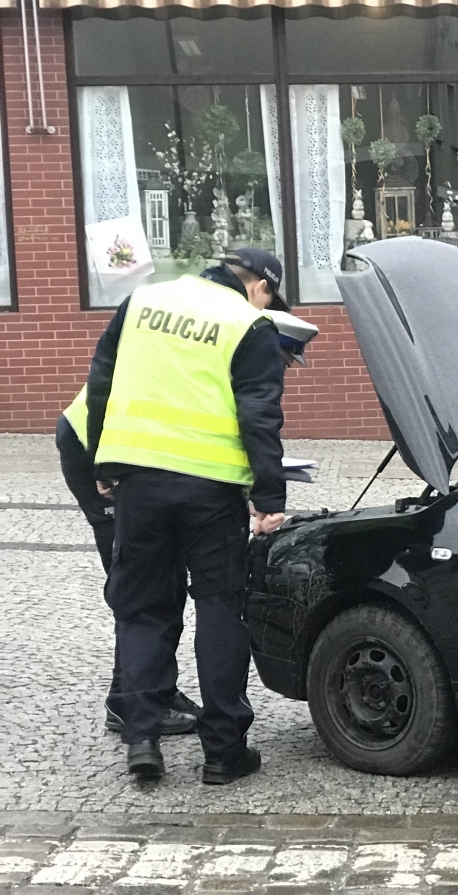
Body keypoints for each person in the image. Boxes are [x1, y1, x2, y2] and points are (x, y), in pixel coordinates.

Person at [86, 249, 295, 782]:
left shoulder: (142, 302)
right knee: (221, 608)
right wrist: (269, 498)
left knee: (143, 610)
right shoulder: (250, 324)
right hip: (211, 490)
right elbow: (259, 414)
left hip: (140, 485)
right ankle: (223, 754)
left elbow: (102, 382)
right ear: (261, 287)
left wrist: (102, 461)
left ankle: (142, 740)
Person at [56, 389, 199, 735]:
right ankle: (127, 702)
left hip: (125, 444)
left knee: (166, 577)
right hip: (95, 444)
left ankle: (156, 690)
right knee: (140, 581)